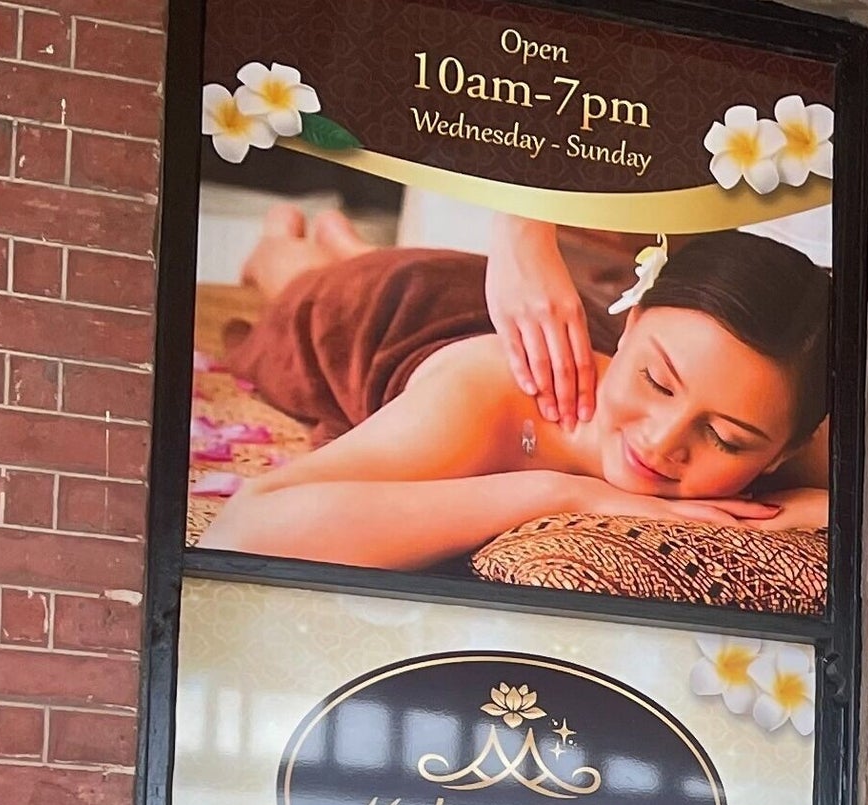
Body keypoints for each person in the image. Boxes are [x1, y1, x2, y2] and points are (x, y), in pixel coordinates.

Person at [199, 210, 833, 572]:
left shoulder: (789, 412)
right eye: (655, 380)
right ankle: (286, 249)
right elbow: (244, 529)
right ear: (632, 323)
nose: (662, 442)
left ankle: (345, 241)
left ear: (782, 452)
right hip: (394, 307)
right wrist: (563, 493)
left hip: (537, 315)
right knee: (305, 286)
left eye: (724, 438)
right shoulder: (488, 400)